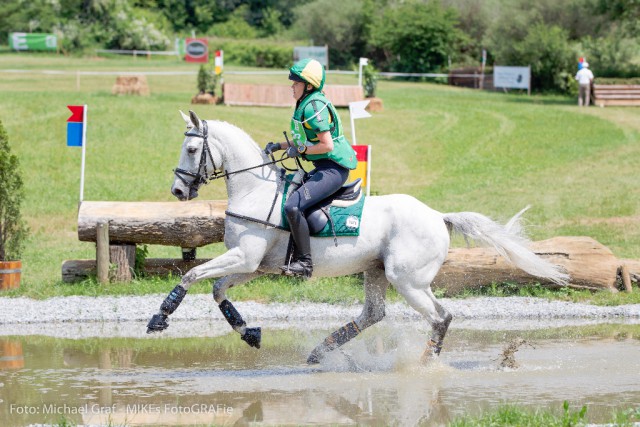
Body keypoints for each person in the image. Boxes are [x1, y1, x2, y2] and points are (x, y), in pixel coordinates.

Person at [264, 58, 358, 278]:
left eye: (295, 83)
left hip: (333, 169)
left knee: (292, 207)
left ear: (308, 85)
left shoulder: (314, 106)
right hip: (323, 166)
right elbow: (303, 140)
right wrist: (279, 146)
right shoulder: (307, 103)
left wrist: (302, 150)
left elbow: (326, 145)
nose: (291, 86)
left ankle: (305, 263)